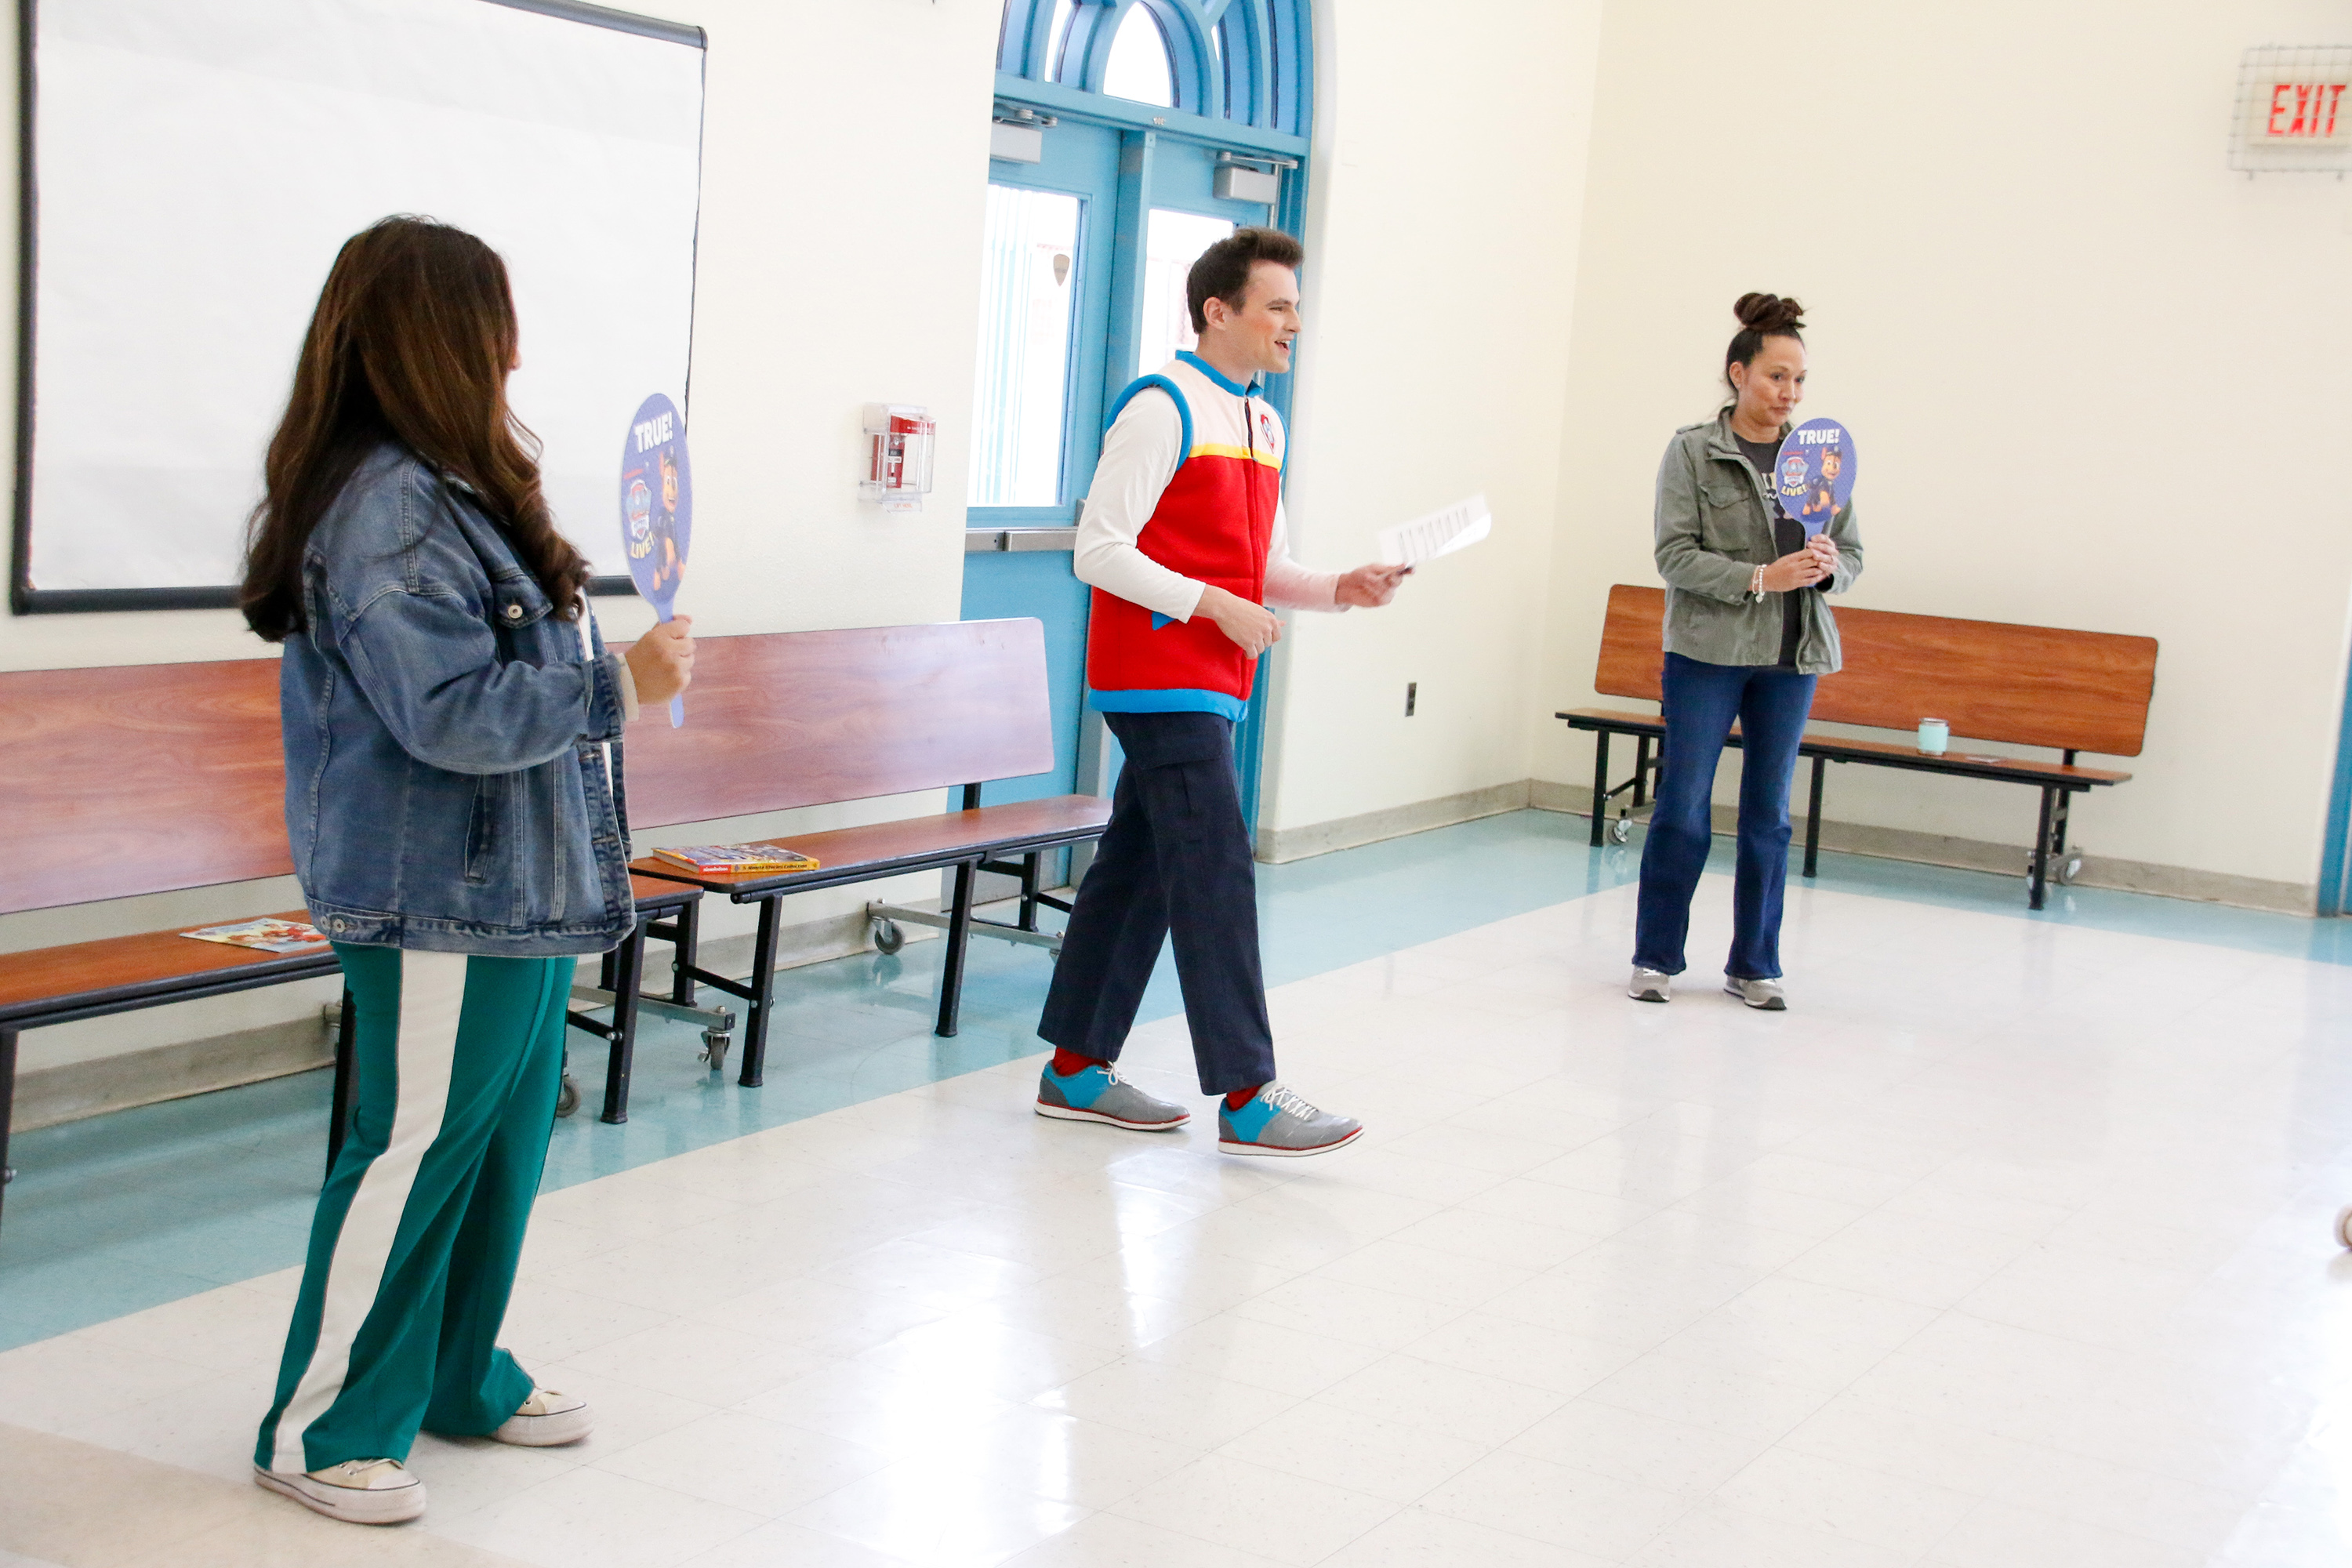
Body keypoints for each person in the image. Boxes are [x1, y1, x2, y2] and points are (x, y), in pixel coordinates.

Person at [236, 216, 695, 1524]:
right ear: (441, 338)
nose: (515, 349)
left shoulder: (460, 487)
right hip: (437, 891)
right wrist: (620, 685)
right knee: (415, 1143)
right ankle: (320, 1427)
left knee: (495, 1146)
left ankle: (451, 1377)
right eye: (494, 321)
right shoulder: (385, 510)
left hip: (522, 885)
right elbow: (447, 710)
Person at [1035, 227, 1410, 1156]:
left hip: (1213, 677)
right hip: (1159, 676)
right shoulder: (1160, 407)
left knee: (1142, 868)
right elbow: (1099, 548)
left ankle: (1074, 1068)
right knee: (1214, 866)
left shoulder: (1262, 421)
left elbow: (1264, 565)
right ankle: (1247, 1091)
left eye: (1295, 309)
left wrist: (1337, 588)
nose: (1293, 325)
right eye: (1277, 307)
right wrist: (1214, 607)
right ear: (1219, 311)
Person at [1629, 292, 1863, 1010]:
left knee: (1769, 815)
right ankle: (1656, 958)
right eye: (1775, 377)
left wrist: (1829, 564)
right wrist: (1759, 577)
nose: (1787, 393)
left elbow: (1851, 553)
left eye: (1798, 381)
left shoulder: (1819, 456)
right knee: (1683, 808)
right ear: (1739, 374)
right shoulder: (1694, 451)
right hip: (1707, 655)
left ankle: (1754, 964)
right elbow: (1674, 556)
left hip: (1791, 658)